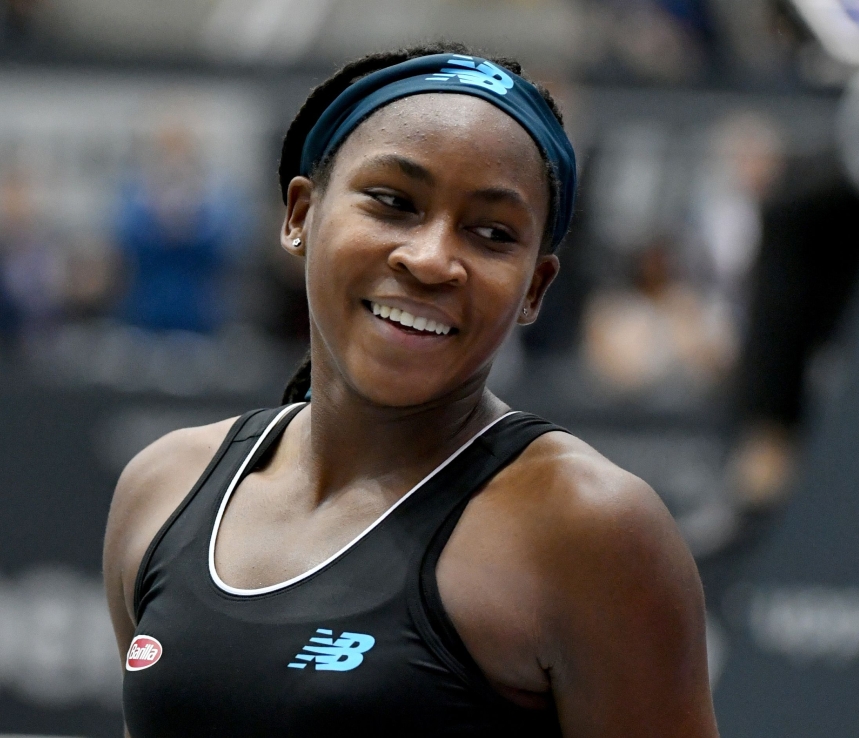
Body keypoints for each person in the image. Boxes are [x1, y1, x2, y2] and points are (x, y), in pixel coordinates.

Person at [103, 43, 719, 737]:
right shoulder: (164, 488)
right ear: (300, 214)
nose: (431, 259)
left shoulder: (592, 530)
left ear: (535, 289)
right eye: (394, 203)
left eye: (491, 233)